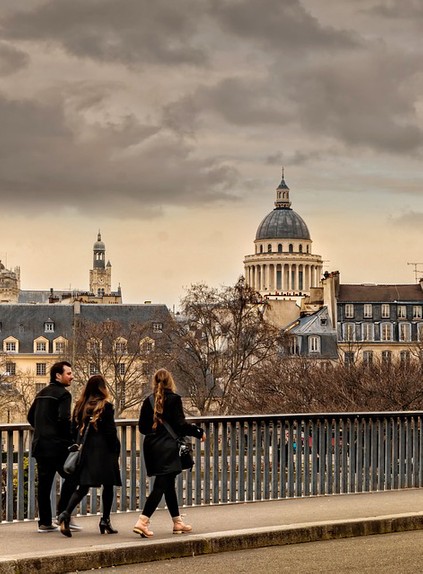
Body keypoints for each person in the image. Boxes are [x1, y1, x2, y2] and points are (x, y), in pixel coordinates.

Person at [133, 368, 205, 538]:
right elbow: (180, 425)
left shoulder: (148, 401)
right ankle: (142, 521)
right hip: (168, 447)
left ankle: (177, 522)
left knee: (167, 484)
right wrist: (198, 432)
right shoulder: (174, 399)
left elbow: (143, 428)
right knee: (161, 485)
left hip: (152, 447)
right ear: (170, 381)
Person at [58, 374, 122, 537]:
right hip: (104, 451)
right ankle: (105, 520)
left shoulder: (80, 405)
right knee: (108, 485)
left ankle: (66, 513)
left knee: (83, 486)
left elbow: (73, 429)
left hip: (86, 451)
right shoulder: (105, 406)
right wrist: (116, 449)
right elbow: (110, 432)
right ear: (102, 388)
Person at [27, 361, 80, 533]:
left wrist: (42, 428)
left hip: (40, 445)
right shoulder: (64, 394)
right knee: (73, 477)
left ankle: (44, 522)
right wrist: (70, 439)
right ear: (58, 375)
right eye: (69, 374)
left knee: (44, 483)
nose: (72, 377)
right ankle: (63, 514)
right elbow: (64, 419)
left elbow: (30, 416)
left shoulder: (41, 393)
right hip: (57, 446)